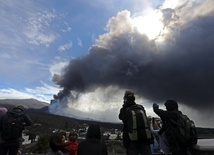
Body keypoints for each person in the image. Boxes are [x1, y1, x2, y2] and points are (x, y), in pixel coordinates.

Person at [118, 90, 152, 155]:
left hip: (131, 138)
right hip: (144, 137)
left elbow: (121, 117)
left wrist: (124, 105)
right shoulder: (141, 107)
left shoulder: (124, 109)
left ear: (125, 98)